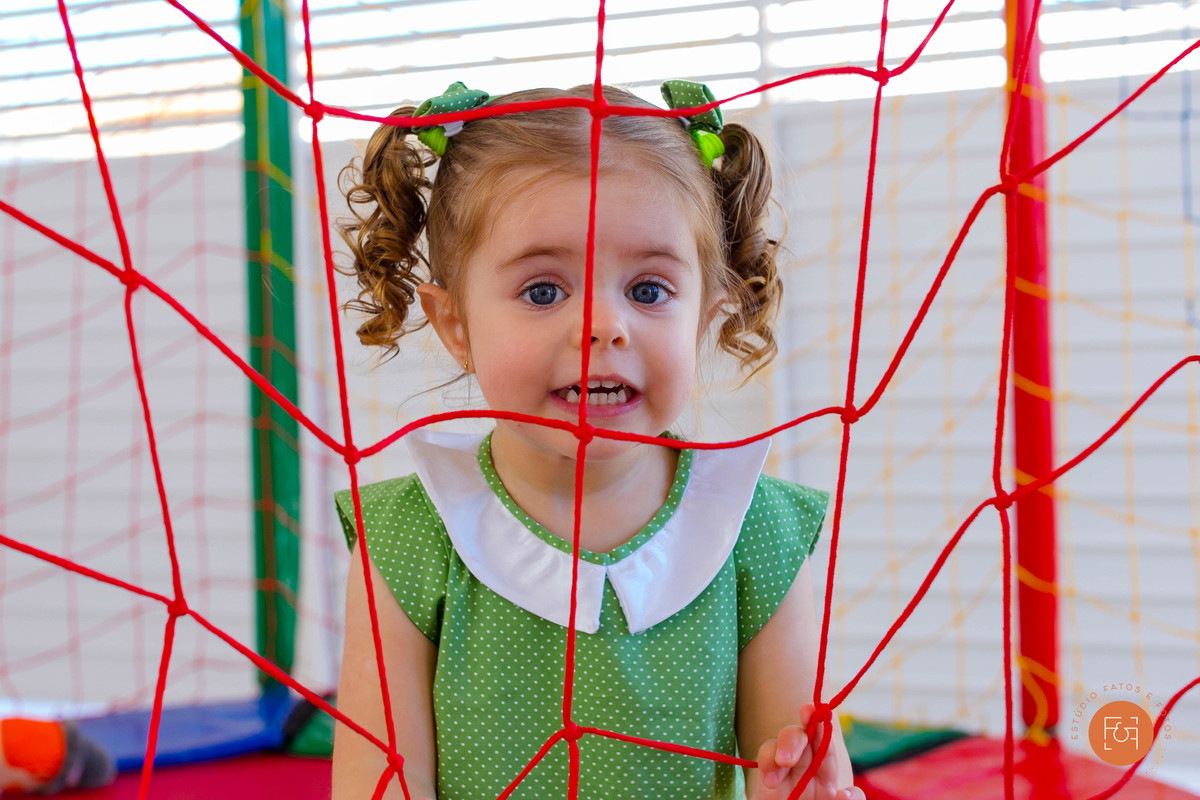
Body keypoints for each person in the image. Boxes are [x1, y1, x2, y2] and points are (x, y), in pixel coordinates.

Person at [331, 80, 864, 800]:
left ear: (707, 313)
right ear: (455, 324)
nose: (604, 327)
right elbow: (378, 780)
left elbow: (794, 768)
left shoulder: (749, 524)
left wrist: (806, 788)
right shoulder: (409, 538)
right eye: (543, 291)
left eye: (648, 290)